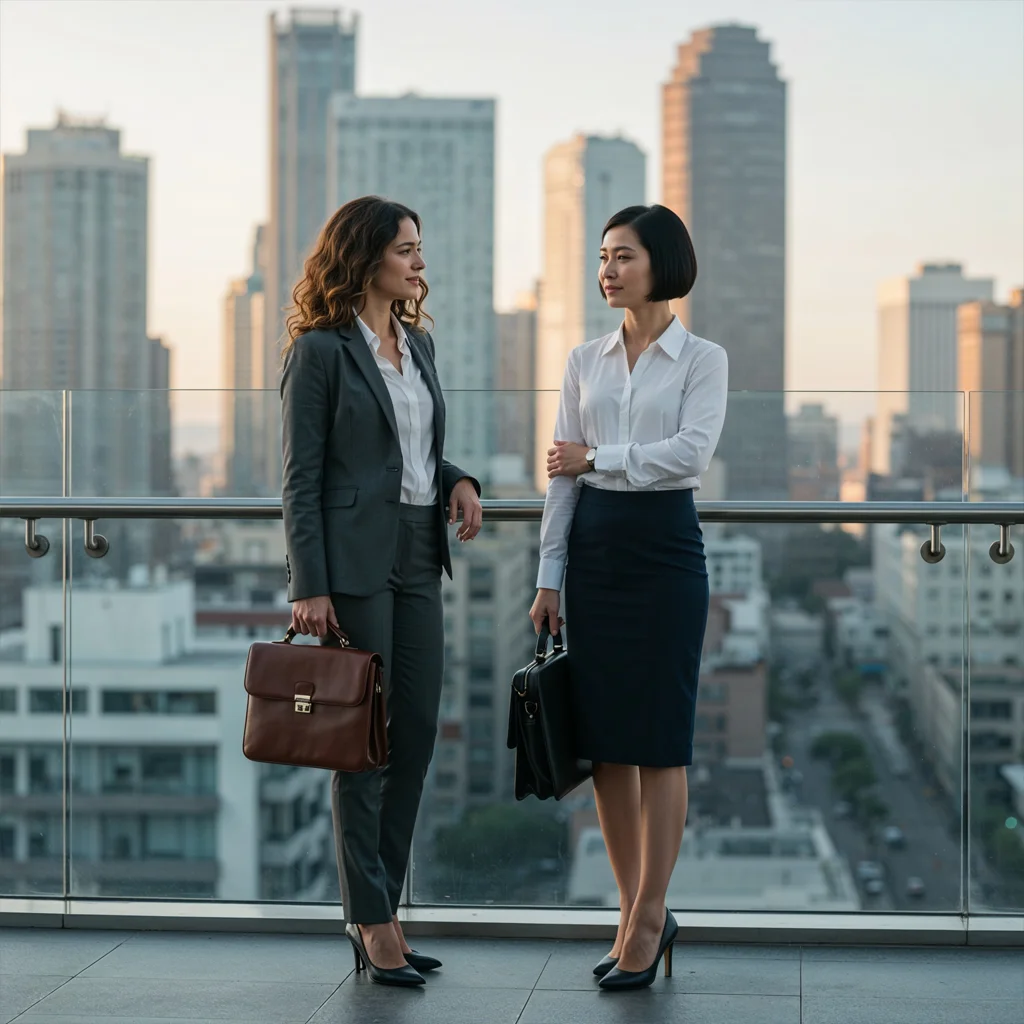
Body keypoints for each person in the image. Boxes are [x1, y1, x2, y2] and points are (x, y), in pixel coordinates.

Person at [281, 196, 483, 987]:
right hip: (352, 563)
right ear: (365, 257)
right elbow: (301, 478)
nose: (419, 264)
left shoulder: (419, 346)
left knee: (419, 729)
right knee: (361, 744)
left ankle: (385, 907)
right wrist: (311, 584)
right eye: (406, 250)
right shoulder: (321, 352)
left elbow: (418, 451)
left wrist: (459, 477)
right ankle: (370, 921)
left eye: (419, 250)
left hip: (417, 551)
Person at [529, 204, 728, 991]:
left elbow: (689, 458)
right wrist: (549, 576)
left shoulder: (701, 358)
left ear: (662, 264)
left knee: (662, 739)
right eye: (603, 257)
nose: (607, 270)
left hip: (666, 552)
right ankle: (629, 910)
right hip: (594, 555)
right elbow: (560, 474)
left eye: (623, 257)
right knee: (607, 742)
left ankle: (652, 915)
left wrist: (596, 457)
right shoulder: (584, 358)